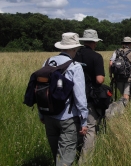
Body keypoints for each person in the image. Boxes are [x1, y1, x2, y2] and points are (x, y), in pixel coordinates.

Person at [39, 32, 88, 166]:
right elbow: (80, 97)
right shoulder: (75, 66)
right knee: (65, 159)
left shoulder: (48, 62)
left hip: (49, 115)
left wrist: (41, 113)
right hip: (68, 118)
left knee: (56, 156)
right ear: (74, 48)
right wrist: (84, 120)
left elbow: (42, 89)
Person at [73, 29, 105, 164]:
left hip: (72, 96)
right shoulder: (96, 57)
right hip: (88, 96)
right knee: (90, 127)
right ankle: (84, 161)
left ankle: (75, 154)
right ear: (95, 42)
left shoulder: (74, 55)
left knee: (77, 126)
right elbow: (99, 80)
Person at [109, 37, 131, 104]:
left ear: (122, 43)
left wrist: (111, 75)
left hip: (118, 77)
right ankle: (124, 112)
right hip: (129, 78)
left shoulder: (116, 51)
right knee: (126, 96)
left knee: (123, 94)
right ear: (130, 44)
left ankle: (121, 109)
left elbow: (110, 63)